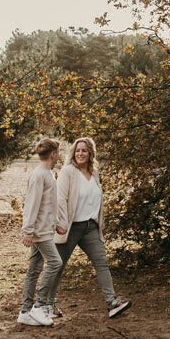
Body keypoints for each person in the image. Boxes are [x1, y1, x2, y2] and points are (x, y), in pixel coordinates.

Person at [50, 136, 131, 319]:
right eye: (78, 150)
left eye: (84, 150)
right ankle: (47, 304)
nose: (80, 153)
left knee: (102, 264)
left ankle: (112, 303)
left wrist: (100, 224)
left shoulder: (94, 173)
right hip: (70, 227)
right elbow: (60, 199)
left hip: (90, 227)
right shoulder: (68, 172)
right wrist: (60, 222)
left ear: (90, 153)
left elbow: (97, 201)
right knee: (58, 265)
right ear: (73, 152)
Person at [17, 138, 64, 326]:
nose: (59, 156)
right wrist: (27, 231)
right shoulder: (39, 175)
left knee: (34, 270)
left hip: (45, 228)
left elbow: (49, 205)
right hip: (39, 232)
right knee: (55, 262)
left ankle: (25, 312)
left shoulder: (47, 174)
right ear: (53, 154)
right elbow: (31, 204)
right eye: (58, 152)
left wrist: (57, 223)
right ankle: (39, 305)